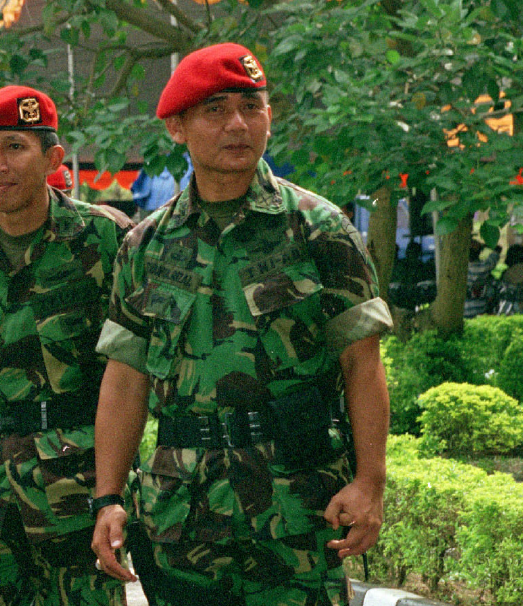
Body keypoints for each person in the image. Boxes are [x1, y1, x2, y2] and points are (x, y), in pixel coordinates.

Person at [90, 43, 393, 606]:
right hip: (182, 516)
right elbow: (125, 379)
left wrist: (370, 482)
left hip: (296, 509)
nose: (238, 124)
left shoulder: (319, 231)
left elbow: (362, 363)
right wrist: (108, 496)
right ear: (177, 127)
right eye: (215, 110)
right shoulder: (145, 246)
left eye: (252, 106)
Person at [0, 85, 134, 606]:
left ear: (53, 158)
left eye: (15, 146)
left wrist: (114, 488)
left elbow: (134, 368)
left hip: (78, 492)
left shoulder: (106, 239)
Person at [464, 238, 501, 318]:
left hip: (463, 310)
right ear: (479, 252)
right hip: (481, 309)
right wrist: (484, 245)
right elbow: (498, 248)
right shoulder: (485, 266)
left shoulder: (458, 268)